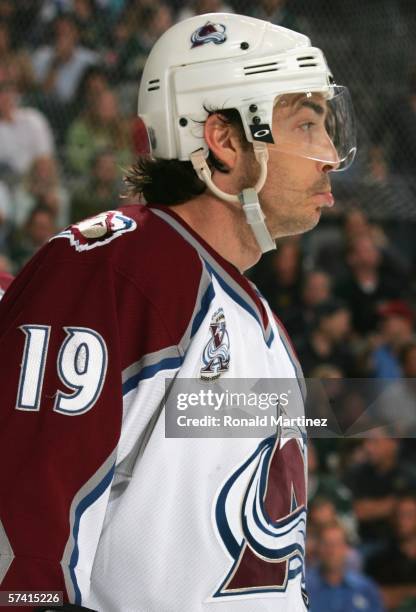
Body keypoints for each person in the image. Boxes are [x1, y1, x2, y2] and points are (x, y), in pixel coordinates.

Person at [0, 12, 356, 612]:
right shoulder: (116, 268)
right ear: (222, 139)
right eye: (305, 125)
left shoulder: (253, 314)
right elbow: (27, 536)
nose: (328, 155)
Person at [306, 521, 384, 612]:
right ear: (318, 548)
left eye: (337, 544)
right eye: (326, 544)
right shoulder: (303, 587)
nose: (332, 551)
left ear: (346, 548)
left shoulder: (365, 588)